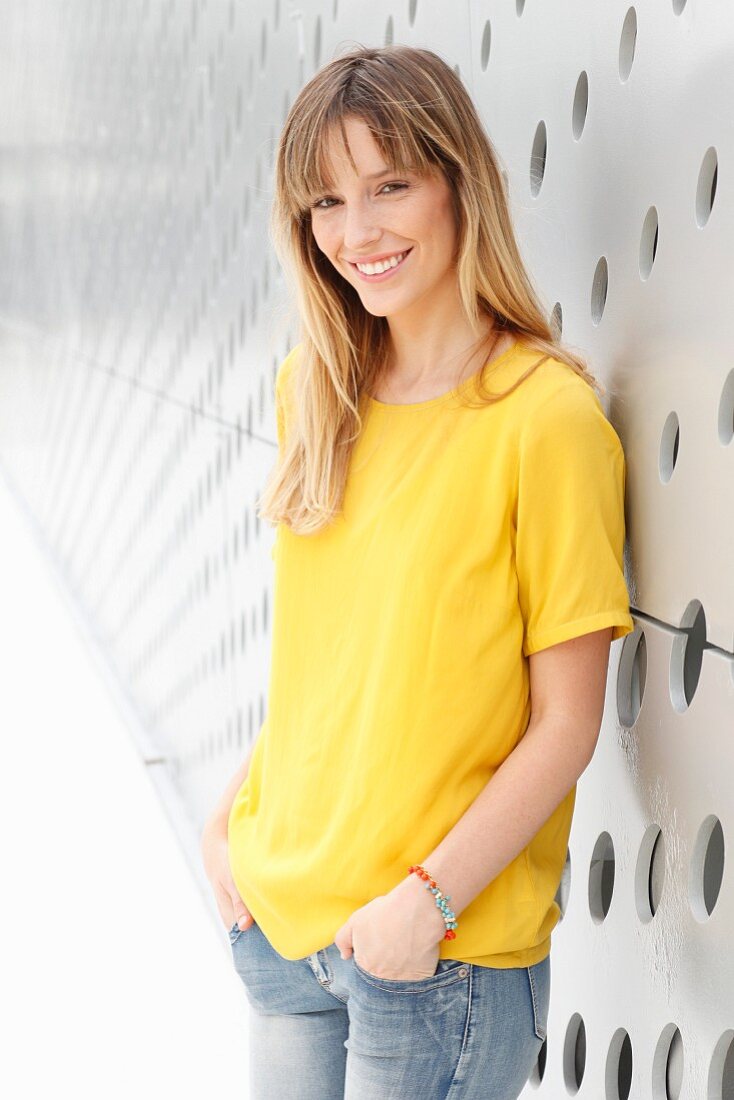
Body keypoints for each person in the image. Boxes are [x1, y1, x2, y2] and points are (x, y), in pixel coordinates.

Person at [201, 43, 634, 1100]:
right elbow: (337, 663)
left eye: (389, 185)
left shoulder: (544, 418)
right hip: (281, 923)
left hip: (431, 955)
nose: (358, 233)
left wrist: (425, 906)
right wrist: (227, 824)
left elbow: (565, 723)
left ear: (457, 182)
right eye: (327, 203)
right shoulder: (314, 391)